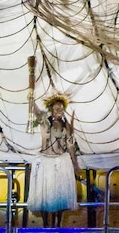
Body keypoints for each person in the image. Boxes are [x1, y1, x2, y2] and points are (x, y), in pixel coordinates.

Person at [26, 89, 80, 227]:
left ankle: (58, 225)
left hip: (61, 162)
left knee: (60, 195)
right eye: (56, 108)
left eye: (61, 108)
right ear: (51, 109)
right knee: (45, 195)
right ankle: (45, 225)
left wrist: (75, 164)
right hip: (46, 162)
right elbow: (37, 112)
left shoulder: (66, 126)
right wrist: (31, 101)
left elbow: (70, 146)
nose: (59, 110)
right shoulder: (45, 122)